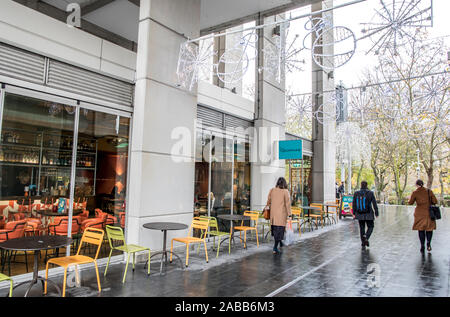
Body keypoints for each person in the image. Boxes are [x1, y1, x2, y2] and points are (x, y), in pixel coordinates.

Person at [408, 179, 438, 253]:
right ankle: (428, 243)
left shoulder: (415, 192)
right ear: (423, 184)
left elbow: (410, 203)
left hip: (419, 214)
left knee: (421, 229)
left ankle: (422, 245)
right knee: (429, 229)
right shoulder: (429, 191)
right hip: (429, 213)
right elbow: (435, 201)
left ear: (416, 185)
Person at [265, 177, 292, 254]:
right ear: (284, 183)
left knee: (275, 230)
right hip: (281, 215)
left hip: (273, 215)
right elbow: (287, 204)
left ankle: (280, 243)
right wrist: (290, 214)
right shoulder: (285, 192)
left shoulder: (272, 190)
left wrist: (267, 208)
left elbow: (268, 201)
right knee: (279, 231)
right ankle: (275, 247)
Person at [353, 181, 378, 249]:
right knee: (371, 226)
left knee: (362, 228)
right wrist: (376, 212)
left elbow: (354, 204)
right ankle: (366, 237)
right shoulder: (370, 193)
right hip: (369, 214)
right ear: (367, 185)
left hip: (359, 214)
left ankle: (363, 243)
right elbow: (374, 203)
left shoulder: (356, 193)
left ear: (361, 185)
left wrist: (354, 213)